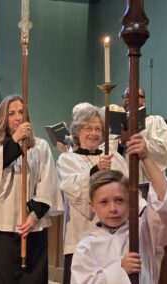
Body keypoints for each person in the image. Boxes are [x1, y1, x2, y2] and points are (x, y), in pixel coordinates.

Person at [70, 133, 167, 284]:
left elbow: (166, 204)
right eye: (104, 202)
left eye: (120, 200)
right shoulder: (86, 247)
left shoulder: (144, 231)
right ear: (92, 206)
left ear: (130, 202)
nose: (113, 208)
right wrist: (120, 269)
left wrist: (146, 157)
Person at [0, 95, 64, 284]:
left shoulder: (40, 146)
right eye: (12, 113)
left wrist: (34, 216)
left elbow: (47, 184)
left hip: (31, 227)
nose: (17, 117)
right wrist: (15, 140)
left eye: (21, 112)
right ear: (3, 118)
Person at [56, 105, 128, 284]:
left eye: (98, 129)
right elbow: (73, 190)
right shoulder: (67, 159)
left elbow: (127, 189)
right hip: (81, 235)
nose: (94, 133)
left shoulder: (115, 158)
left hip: (116, 240)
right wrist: (96, 170)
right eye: (88, 128)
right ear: (77, 131)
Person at [121, 87, 167, 182]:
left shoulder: (156, 121)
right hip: (124, 178)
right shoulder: (118, 124)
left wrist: (139, 142)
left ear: (144, 100)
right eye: (126, 96)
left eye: (133, 96)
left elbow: (163, 150)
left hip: (147, 180)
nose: (128, 99)